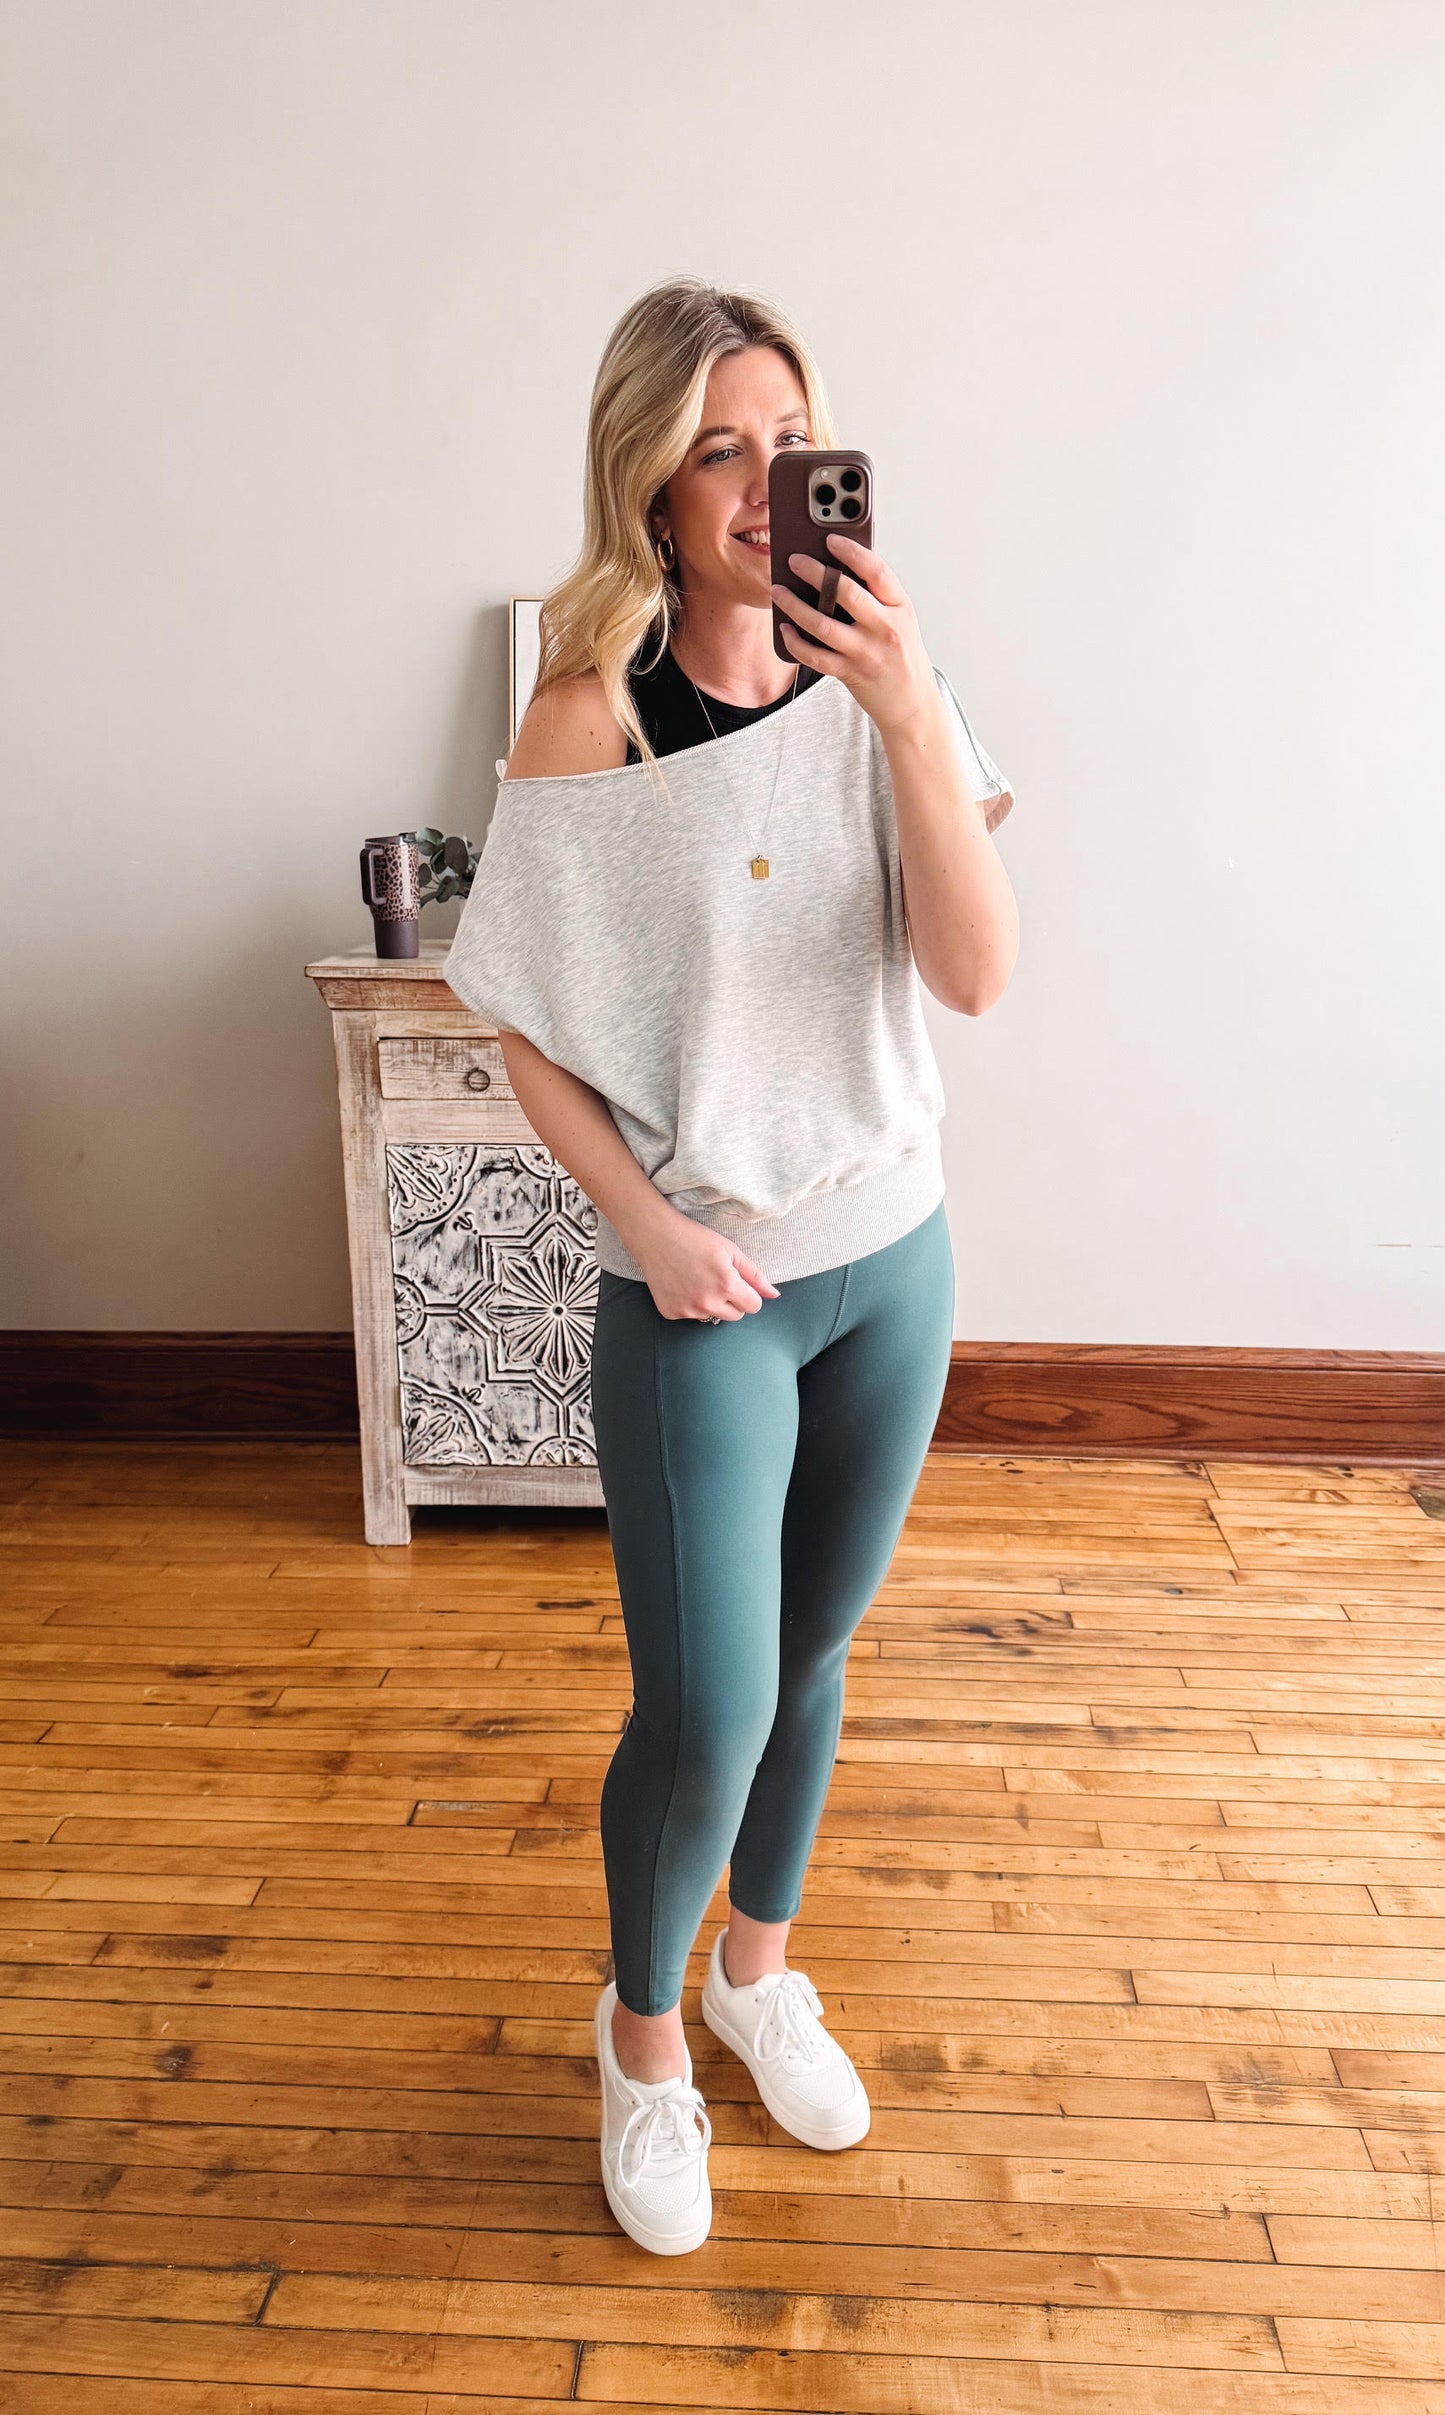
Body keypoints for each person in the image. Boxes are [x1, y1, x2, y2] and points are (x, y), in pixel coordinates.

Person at [443, 276, 1020, 2256]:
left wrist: (910, 707)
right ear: (652, 483)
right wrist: (651, 1231)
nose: (766, 480)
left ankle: (755, 1969)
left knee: (815, 1656)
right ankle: (642, 2039)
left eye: (790, 439)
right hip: (707, 1285)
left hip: (894, 1257)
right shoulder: (586, 707)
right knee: (706, 1707)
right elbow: (518, 1008)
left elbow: (974, 970)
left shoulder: (886, 673)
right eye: (719, 446)